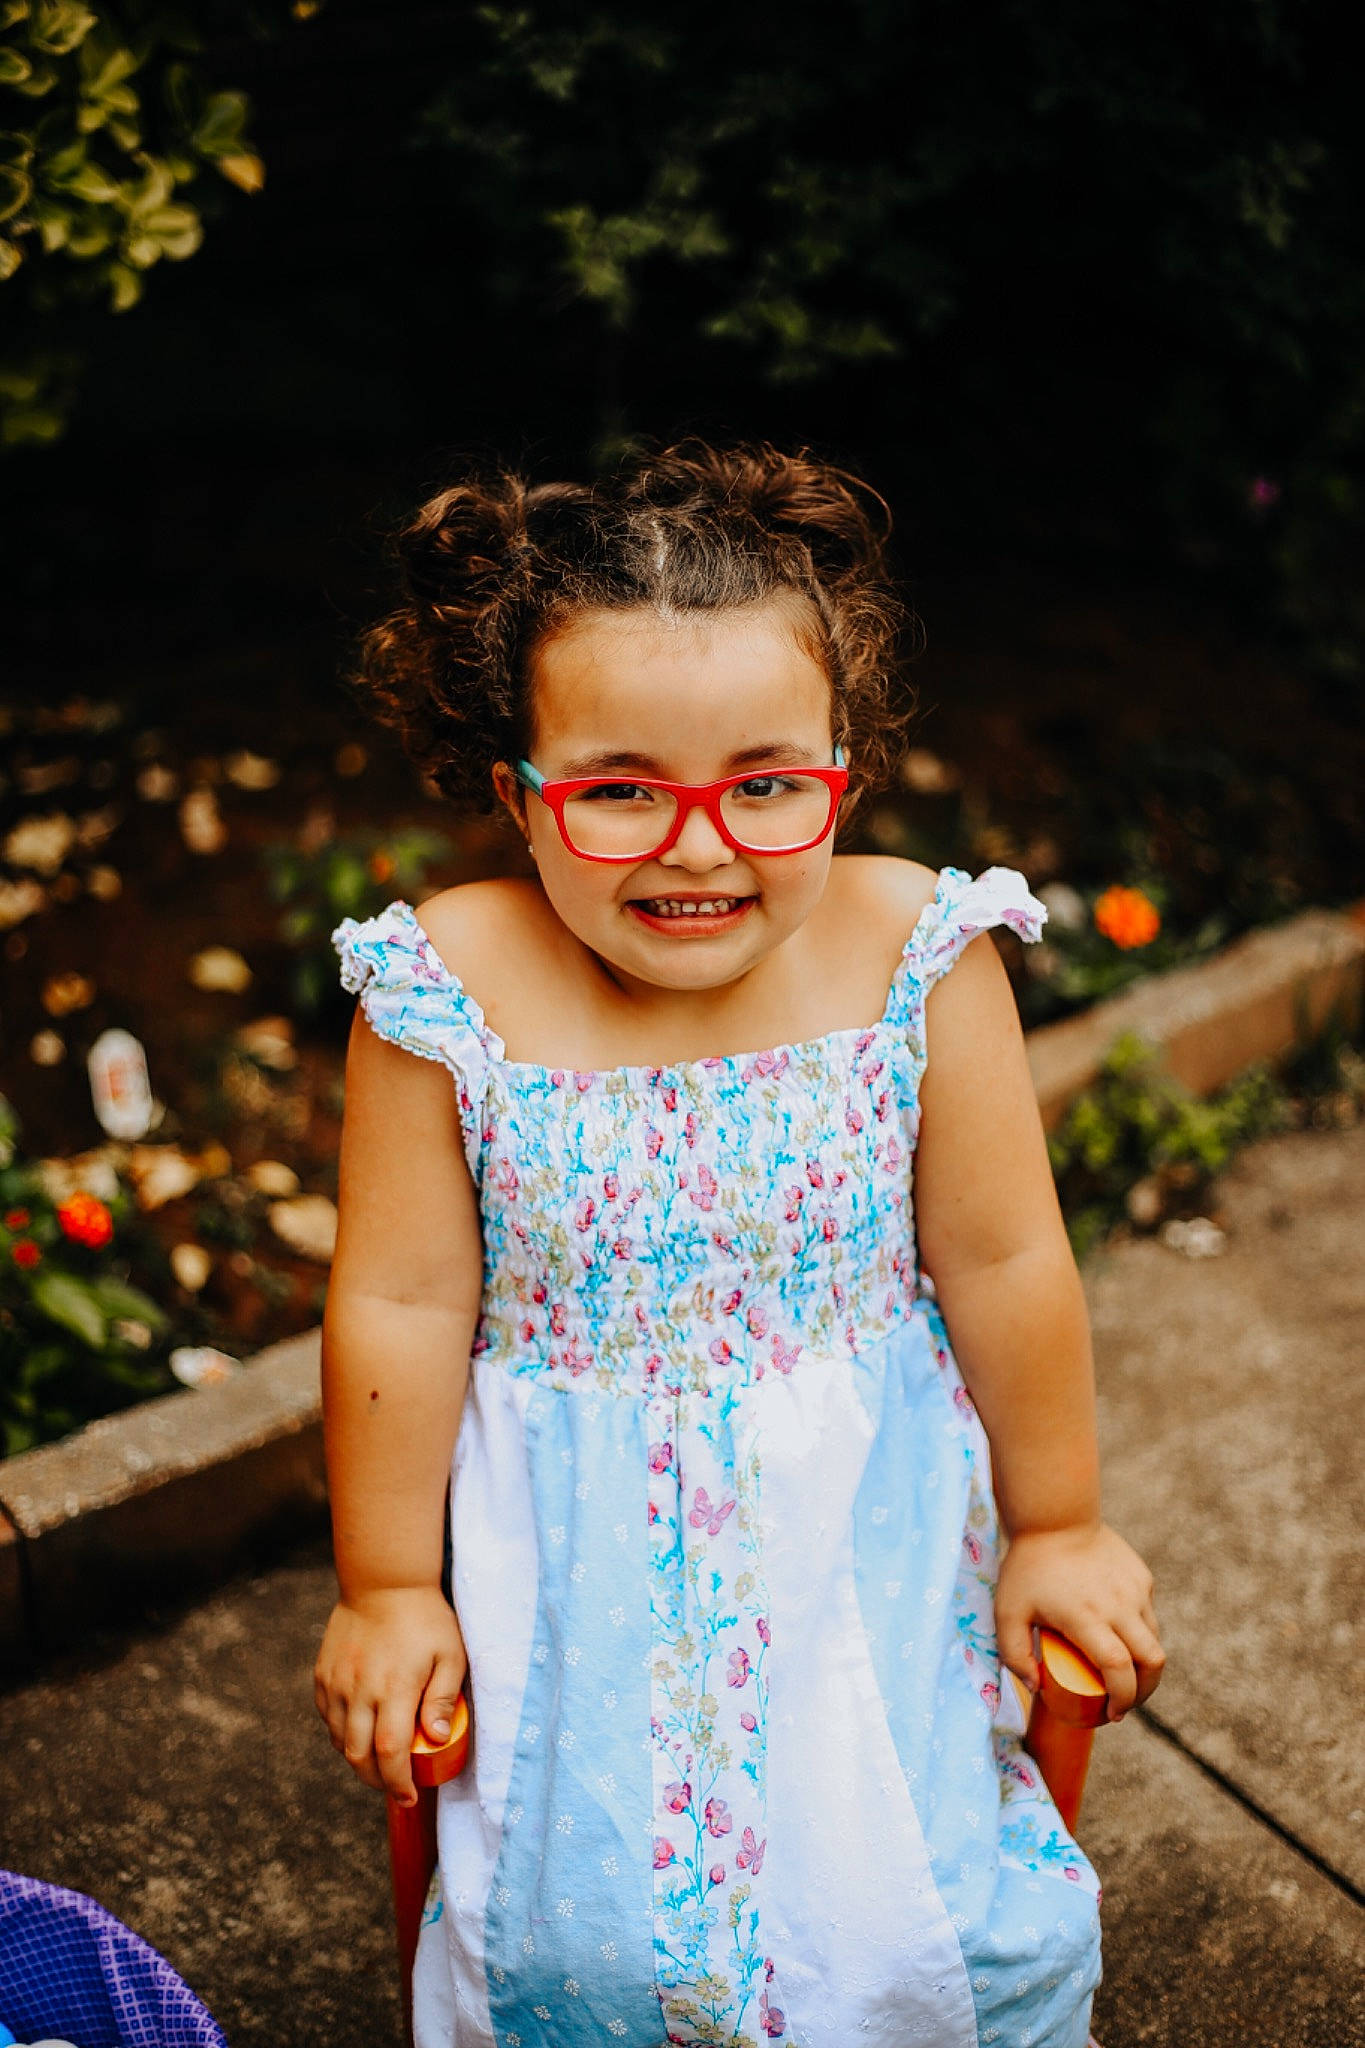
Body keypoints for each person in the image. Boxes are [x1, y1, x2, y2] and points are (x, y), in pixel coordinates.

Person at [313, 440, 1164, 2048]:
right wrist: (384, 1585)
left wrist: (1056, 1525)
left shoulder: (910, 947)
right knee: (583, 1942)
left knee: (916, 1903)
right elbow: (404, 1299)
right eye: (620, 789)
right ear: (517, 793)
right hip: (567, 1555)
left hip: (864, 1521)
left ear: (842, 768)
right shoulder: (447, 983)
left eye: (766, 784)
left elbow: (1000, 1261)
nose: (698, 846)